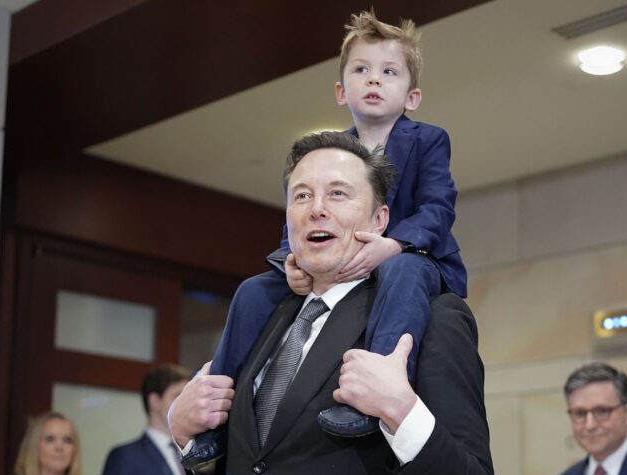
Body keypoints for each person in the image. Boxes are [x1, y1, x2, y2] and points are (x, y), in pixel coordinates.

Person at [169, 131, 493, 475]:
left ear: (380, 220)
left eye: (338, 194)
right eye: (302, 196)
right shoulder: (262, 315)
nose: (316, 209)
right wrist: (184, 432)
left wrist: (402, 411)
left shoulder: (434, 317)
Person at [192, 9, 466, 445]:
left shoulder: (428, 140)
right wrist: (292, 260)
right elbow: (301, 214)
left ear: (412, 97)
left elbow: (438, 207)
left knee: (403, 271)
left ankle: (369, 395)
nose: (374, 79)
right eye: (361, 70)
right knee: (253, 290)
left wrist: (394, 244)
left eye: (389, 72)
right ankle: (214, 415)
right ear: (341, 91)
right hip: (338, 260)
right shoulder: (328, 154)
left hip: (413, 257)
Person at [100, 364, 217, 475]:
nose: (187, 403)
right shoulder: (126, 458)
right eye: (178, 396)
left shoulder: (198, 453)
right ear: (154, 401)